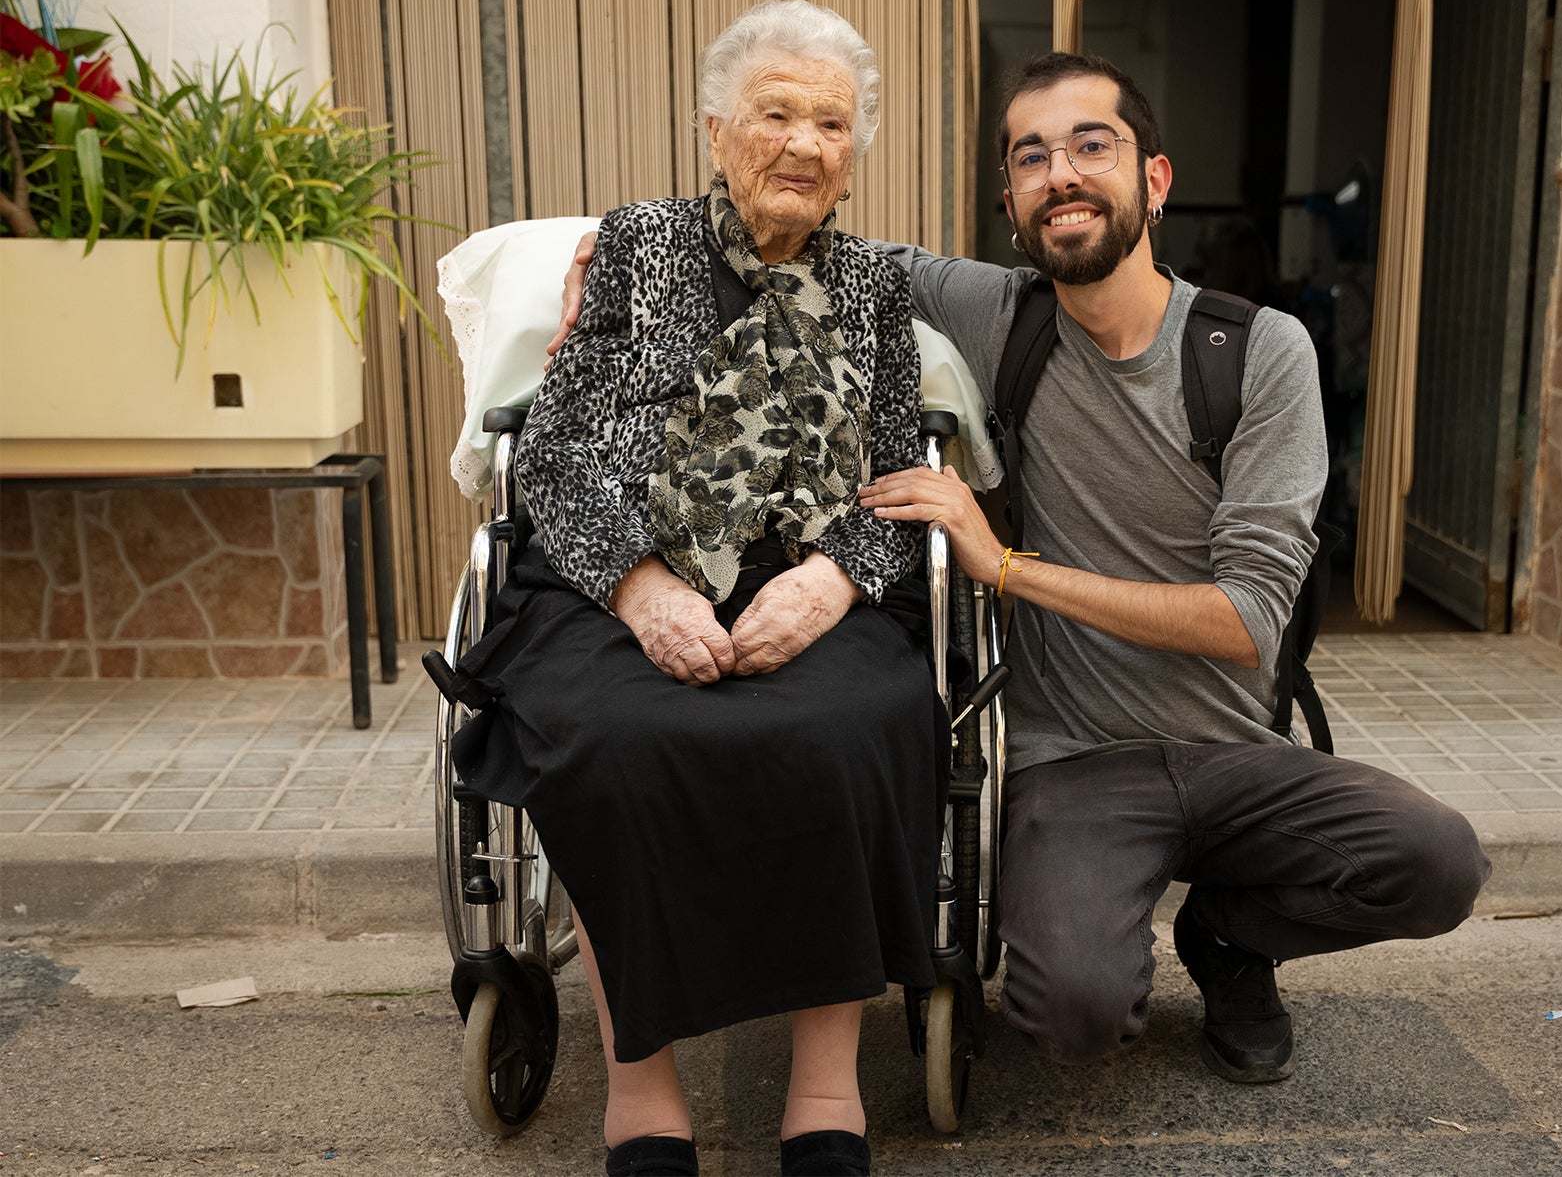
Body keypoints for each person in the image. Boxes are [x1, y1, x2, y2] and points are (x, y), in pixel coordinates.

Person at [554, 53, 1489, 1092]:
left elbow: (1246, 622)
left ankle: (1230, 936)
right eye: (1032, 158)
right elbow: (796, 225)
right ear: (1011, 204)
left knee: (1439, 861)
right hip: (1074, 761)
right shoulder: (1003, 314)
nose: (1062, 175)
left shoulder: (1258, 352)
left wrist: (1003, 565)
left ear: (1155, 179)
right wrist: (603, 258)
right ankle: (1116, 921)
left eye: (1092, 145)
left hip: (1237, 748)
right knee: (1073, 1014)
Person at [457, 1, 940, 1177]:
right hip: (620, 567)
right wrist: (640, 588)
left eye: (832, 123)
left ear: (854, 151)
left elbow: (895, 470)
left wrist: (831, 582)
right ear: (716, 130)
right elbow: (556, 449)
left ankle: (824, 1087)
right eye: (776, 114)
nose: (805, 143)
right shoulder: (638, 246)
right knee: (612, 741)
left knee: (850, 729)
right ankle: (641, 1090)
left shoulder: (876, 285)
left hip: (810, 571)